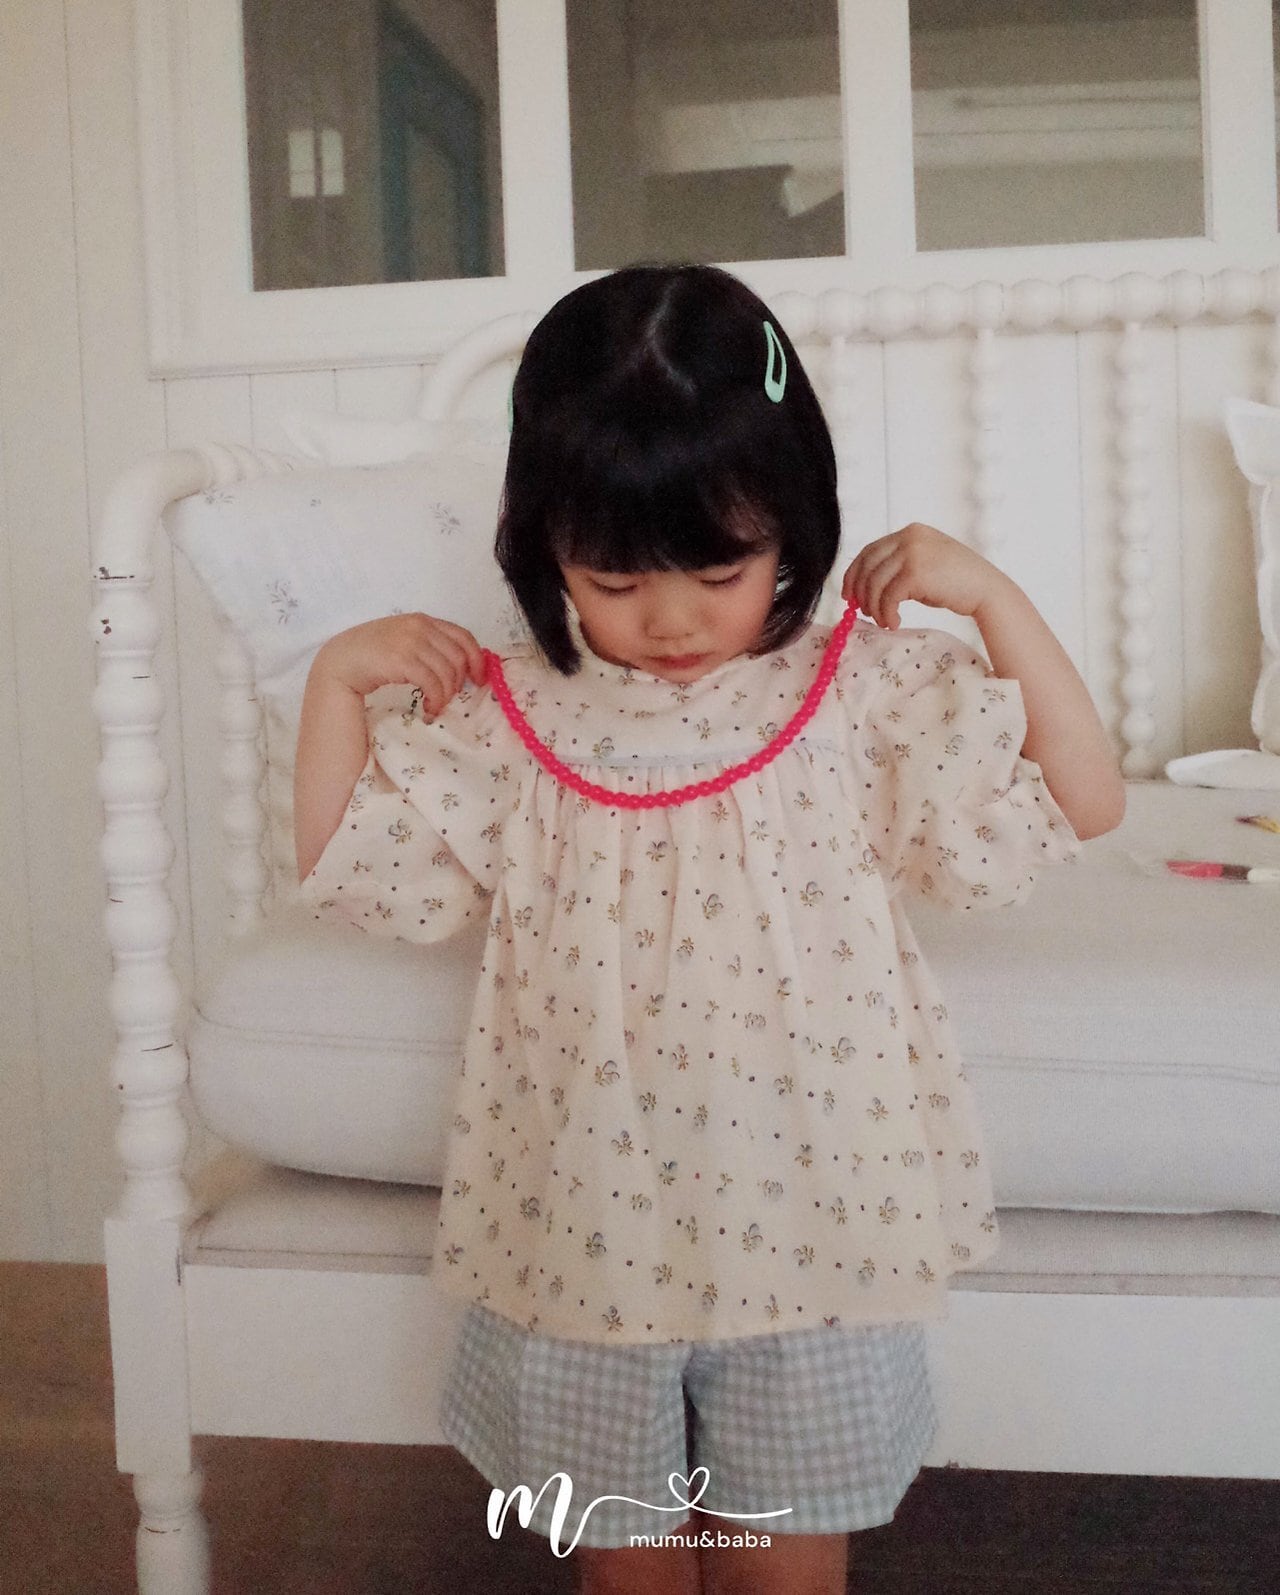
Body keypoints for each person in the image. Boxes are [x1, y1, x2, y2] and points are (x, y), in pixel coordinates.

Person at [293, 264, 1125, 1595]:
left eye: (721, 570)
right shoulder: (512, 716)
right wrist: (335, 685)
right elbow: (354, 868)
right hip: (590, 1230)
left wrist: (994, 600)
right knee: (627, 1573)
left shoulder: (855, 692)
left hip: (816, 1221)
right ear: (542, 549)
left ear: (794, 528)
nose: (672, 619)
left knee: (788, 1575)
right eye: (615, 579)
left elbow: (1082, 798)